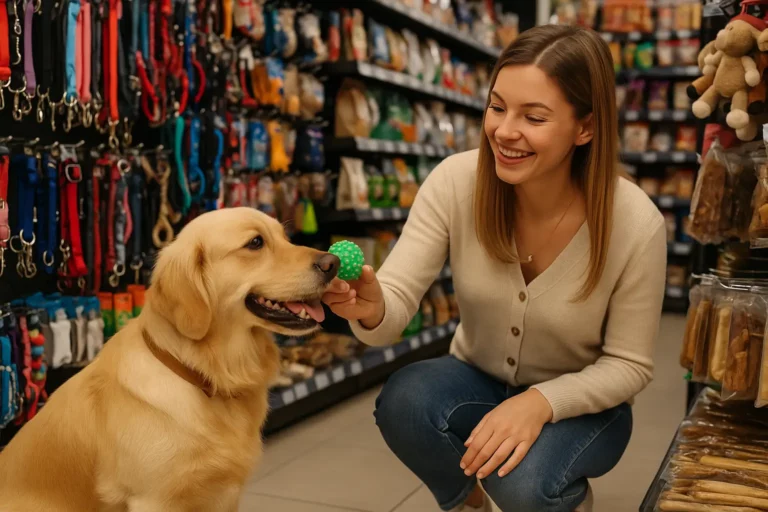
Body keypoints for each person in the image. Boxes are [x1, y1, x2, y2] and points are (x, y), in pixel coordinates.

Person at [322, 24, 666, 512]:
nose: (505, 131)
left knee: (526, 484)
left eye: (535, 116)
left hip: (587, 407)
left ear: (585, 127)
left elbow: (629, 365)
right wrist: (375, 308)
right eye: (498, 106)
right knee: (405, 401)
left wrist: (539, 402)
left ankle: (562, 497)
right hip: (478, 379)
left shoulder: (635, 223)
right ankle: (468, 502)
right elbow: (395, 296)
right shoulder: (456, 182)